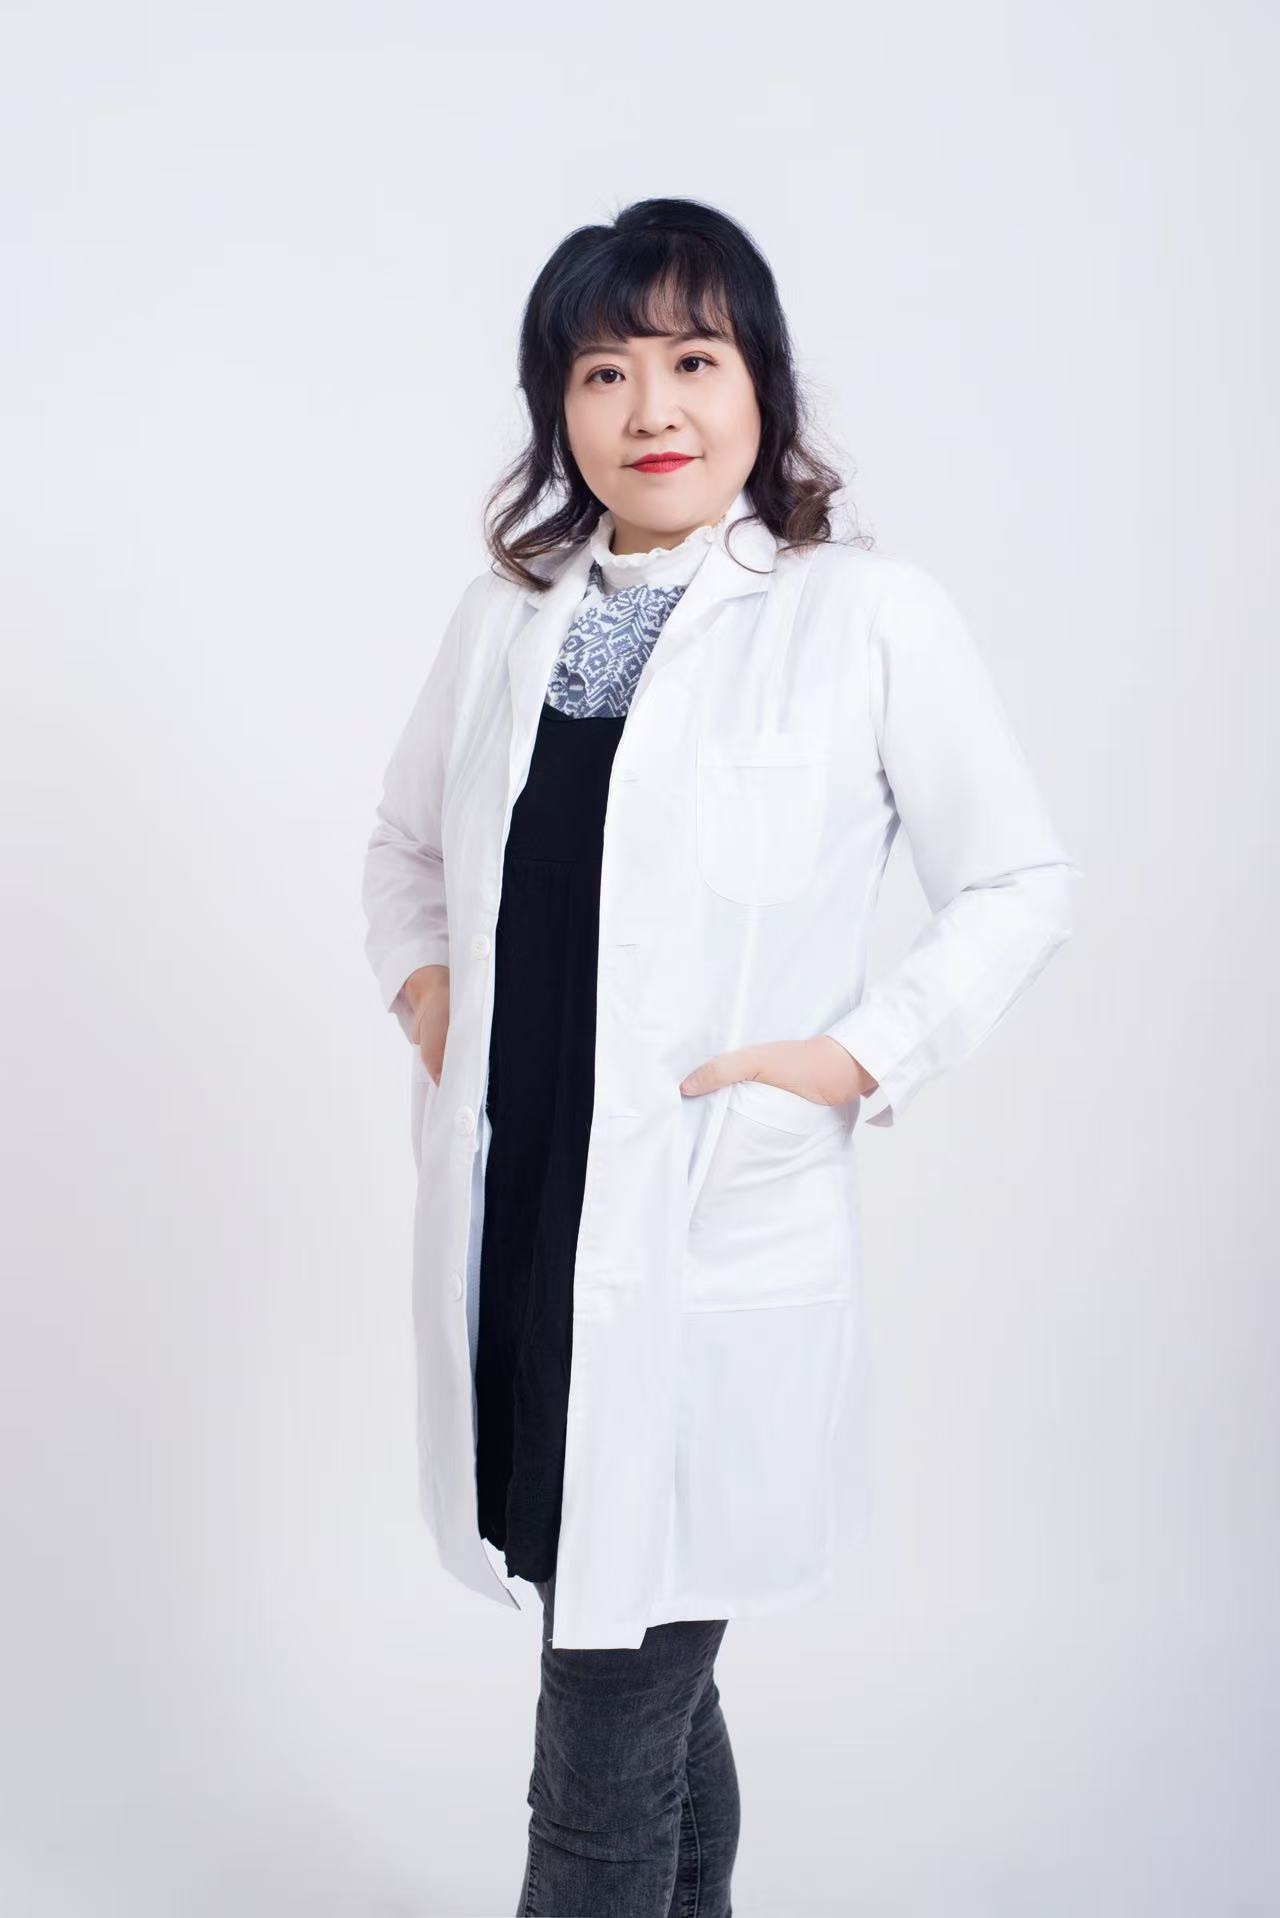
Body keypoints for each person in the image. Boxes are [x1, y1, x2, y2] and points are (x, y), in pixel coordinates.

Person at [361, 195, 1078, 1918]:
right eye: (603, 372)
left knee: (605, 1728)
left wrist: (855, 1056)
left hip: (706, 1233)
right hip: (525, 1228)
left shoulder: (864, 614)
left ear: (762, 383)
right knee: (632, 1649)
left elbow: (1018, 878)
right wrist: (434, 996)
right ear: (560, 408)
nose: (651, 408)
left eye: (693, 359)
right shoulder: (507, 618)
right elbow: (403, 852)